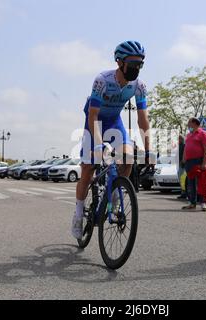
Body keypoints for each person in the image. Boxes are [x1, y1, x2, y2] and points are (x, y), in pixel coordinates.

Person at [71, 41, 151, 240]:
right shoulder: (102, 80)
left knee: (129, 157)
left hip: (115, 121)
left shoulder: (139, 85)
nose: (136, 68)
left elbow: (143, 119)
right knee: (88, 168)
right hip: (95, 120)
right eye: (132, 63)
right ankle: (79, 214)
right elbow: (93, 116)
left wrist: (148, 149)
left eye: (140, 64)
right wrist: (98, 145)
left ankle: (115, 190)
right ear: (119, 62)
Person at [181, 118, 206, 211]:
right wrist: (184, 158)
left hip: (198, 161)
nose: (188, 125)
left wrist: (204, 163)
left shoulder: (202, 134)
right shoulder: (189, 135)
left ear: (194, 123)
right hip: (189, 162)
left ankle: (203, 203)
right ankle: (192, 203)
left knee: (200, 183)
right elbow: (186, 148)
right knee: (190, 184)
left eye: (189, 123)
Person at [177, 135, 187, 200]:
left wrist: (182, 162)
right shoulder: (179, 146)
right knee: (181, 179)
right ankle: (183, 192)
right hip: (180, 165)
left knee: (182, 179)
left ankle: (184, 193)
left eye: (179, 139)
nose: (178, 140)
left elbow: (184, 155)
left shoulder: (184, 146)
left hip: (183, 165)